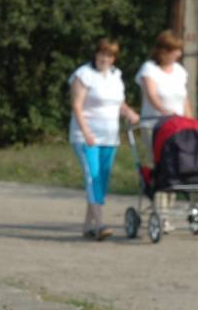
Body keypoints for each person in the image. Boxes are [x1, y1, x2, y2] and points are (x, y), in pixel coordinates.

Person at [69, 38, 140, 240]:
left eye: (109, 55)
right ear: (96, 54)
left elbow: (119, 103)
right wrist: (86, 133)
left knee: (102, 179)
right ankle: (100, 225)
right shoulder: (83, 75)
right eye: (102, 54)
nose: (105, 59)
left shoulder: (115, 75)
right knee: (93, 177)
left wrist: (130, 113)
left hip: (110, 136)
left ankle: (87, 226)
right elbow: (77, 106)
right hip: (86, 136)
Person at [136, 30, 191, 228]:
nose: (178, 55)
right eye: (174, 51)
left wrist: (190, 122)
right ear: (163, 51)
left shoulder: (180, 71)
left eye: (179, 51)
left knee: (175, 166)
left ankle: (168, 208)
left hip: (176, 126)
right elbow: (152, 96)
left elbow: (184, 99)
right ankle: (161, 213)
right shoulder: (149, 69)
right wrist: (166, 112)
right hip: (155, 125)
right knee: (160, 166)